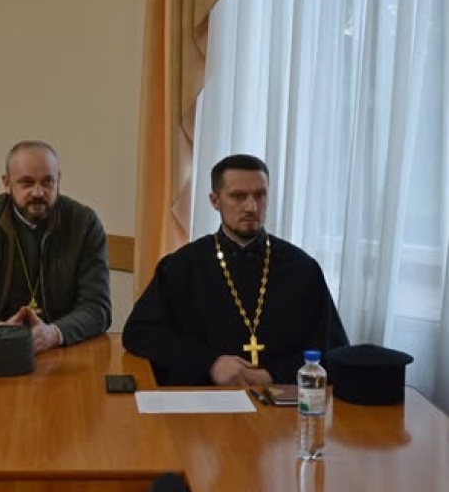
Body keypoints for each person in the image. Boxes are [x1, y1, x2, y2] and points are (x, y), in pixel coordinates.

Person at [123, 154, 349, 386]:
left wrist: (272, 375)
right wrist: (210, 364)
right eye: (238, 196)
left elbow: (332, 351)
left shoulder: (302, 269)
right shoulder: (181, 266)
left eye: (260, 195)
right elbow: (140, 333)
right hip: (204, 398)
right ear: (215, 201)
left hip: (280, 400)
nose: (251, 207)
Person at [0, 140, 111, 354]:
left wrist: (54, 334)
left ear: (58, 181)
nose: (38, 192)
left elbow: (97, 308)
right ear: (7, 183)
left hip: (65, 349)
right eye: (27, 183)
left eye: (47, 182)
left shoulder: (84, 224)